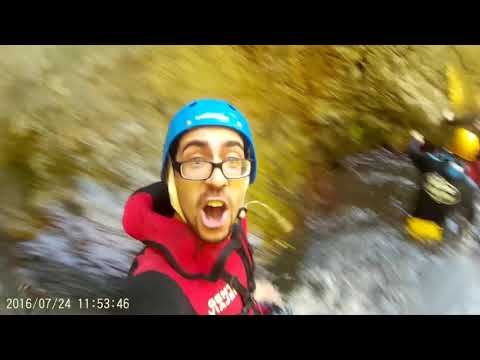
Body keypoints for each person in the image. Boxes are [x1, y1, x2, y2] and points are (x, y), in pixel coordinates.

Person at [122, 99, 284, 315]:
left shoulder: (233, 219)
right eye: (196, 161)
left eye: (233, 160)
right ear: (172, 179)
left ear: (246, 178)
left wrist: (256, 297)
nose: (218, 179)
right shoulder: (156, 298)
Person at [405, 128, 479, 243]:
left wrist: (416, 140)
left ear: (453, 145)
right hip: (436, 236)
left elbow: (411, 150)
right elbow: (470, 217)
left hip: (412, 227)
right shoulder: (470, 187)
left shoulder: (430, 162)